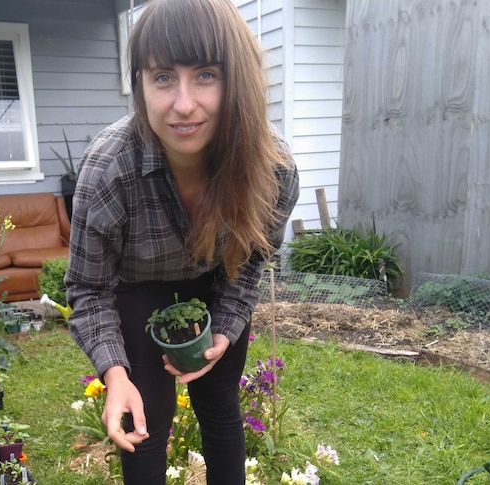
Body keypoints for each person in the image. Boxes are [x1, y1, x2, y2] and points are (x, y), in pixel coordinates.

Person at [64, 0, 300, 483]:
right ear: (139, 86)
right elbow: (89, 290)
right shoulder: (109, 170)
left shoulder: (273, 171)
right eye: (164, 77)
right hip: (137, 290)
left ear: (238, 81)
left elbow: (252, 260)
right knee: (144, 423)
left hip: (217, 283)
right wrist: (115, 374)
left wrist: (226, 325)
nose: (184, 104)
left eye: (207, 75)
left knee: (219, 408)